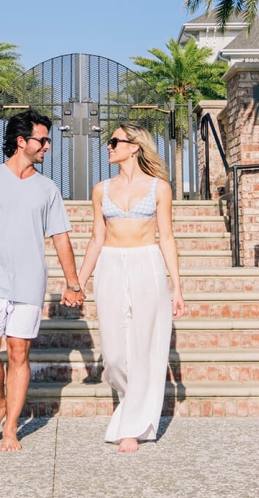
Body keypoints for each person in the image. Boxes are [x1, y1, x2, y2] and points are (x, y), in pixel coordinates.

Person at [0, 107, 85, 451]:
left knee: (19, 354)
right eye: (43, 140)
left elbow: (61, 237)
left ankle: (10, 428)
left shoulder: (48, 189)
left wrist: (73, 282)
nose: (47, 146)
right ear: (22, 142)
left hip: (29, 281)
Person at [77, 123, 185, 452]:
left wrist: (177, 286)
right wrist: (77, 282)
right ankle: (130, 406)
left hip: (147, 263)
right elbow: (97, 238)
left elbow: (166, 237)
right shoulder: (101, 189)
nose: (108, 147)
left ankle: (131, 426)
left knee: (144, 348)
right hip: (110, 264)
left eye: (114, 141)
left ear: (134, 146)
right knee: (113, 354)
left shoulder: (159, 188)